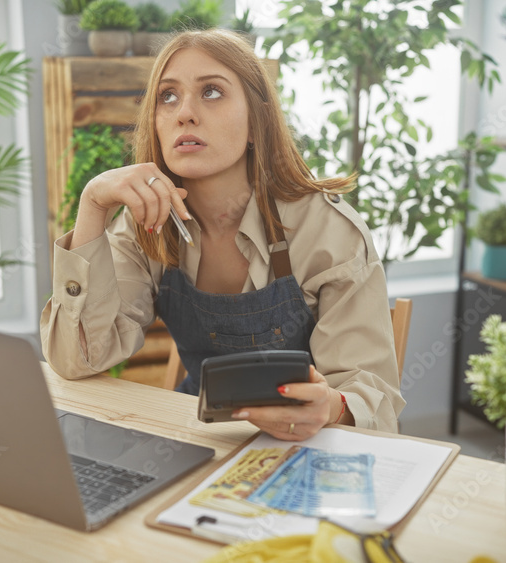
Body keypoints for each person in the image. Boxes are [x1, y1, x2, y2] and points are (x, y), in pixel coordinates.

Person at [40, 28, 404, 440]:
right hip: (198, 438)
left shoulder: (327, 231)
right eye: (168, 96)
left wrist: (331, 407)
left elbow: (374, 402)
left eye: (211, 91)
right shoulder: (145, 228)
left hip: (309, 449)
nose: (185, 113)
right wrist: (93, 206)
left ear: (256, 122)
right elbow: (77, 360)